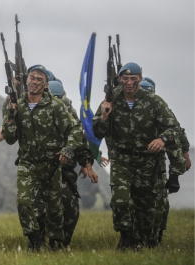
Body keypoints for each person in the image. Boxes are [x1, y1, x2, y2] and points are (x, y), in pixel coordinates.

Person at [92, 62, 186, 250]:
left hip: (148, 162)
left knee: (146, 208)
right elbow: (97, 132)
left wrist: (162, 139)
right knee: (120, 200)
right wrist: (104, 116)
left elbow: (173, 127)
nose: (129, 82)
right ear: (119, 79)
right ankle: (126, 235)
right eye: (125, 78)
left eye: (133, 79)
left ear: (140, 79)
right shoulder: (111, 100)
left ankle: (142, 241)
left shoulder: (154, 102)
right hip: (121, 160)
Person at [2, 65, 84, 251]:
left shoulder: (56, 106)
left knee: (54, 207)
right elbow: (9, 138)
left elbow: (75, 129)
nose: (35, 82)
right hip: (27, 163)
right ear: (27, 80)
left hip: (52, 164)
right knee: (24, 202)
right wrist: (11, 116)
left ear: (46, 85)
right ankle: (35, 239)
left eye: (40, 79)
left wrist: (68, 149)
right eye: (32, 77)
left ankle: (56, 241)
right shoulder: (17, 105)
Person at [139, 79, 191, 244]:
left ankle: (157, 236)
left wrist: (185, 154)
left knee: (160, 202)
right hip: (134, 163)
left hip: (157, 163)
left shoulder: (161, 111)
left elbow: (177, 132)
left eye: (149, 93)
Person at [47, 80, 98, 247]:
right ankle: (40, 242)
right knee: (42, 209)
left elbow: (80, 143)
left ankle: (63, 243)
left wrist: (87, 166)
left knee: (71, 211)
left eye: (58, 98)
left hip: (65, 172)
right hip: (42, 171)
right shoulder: (37, 113)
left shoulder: (70, 115)